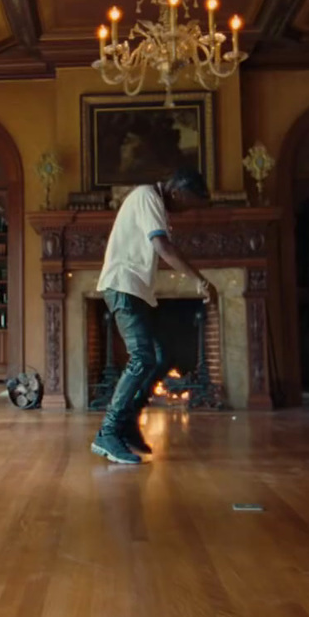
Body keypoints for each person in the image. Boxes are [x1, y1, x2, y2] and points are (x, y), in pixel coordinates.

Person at [92, 167, 212, 465]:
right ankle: (107, 432)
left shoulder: (153, 201)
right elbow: (162, 246)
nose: (185, 211)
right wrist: (199, 280)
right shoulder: (147, 196)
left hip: (136, 291)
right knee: (143, 357)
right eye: (187, 203)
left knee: (161, 357)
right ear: (177, 191)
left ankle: (128, 424)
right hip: (123, 286)